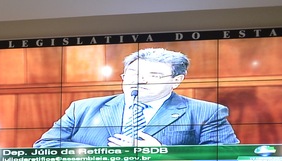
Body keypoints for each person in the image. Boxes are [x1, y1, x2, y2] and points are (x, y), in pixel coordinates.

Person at [33, 48, 239, 148]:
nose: (140, 81)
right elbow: (45, 145)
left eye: (154, 76)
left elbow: (225, 155)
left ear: (176, 80)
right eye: (133, 74)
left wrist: (160, 153)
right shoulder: (82, 108)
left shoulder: (206, 112)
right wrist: (105, 154)